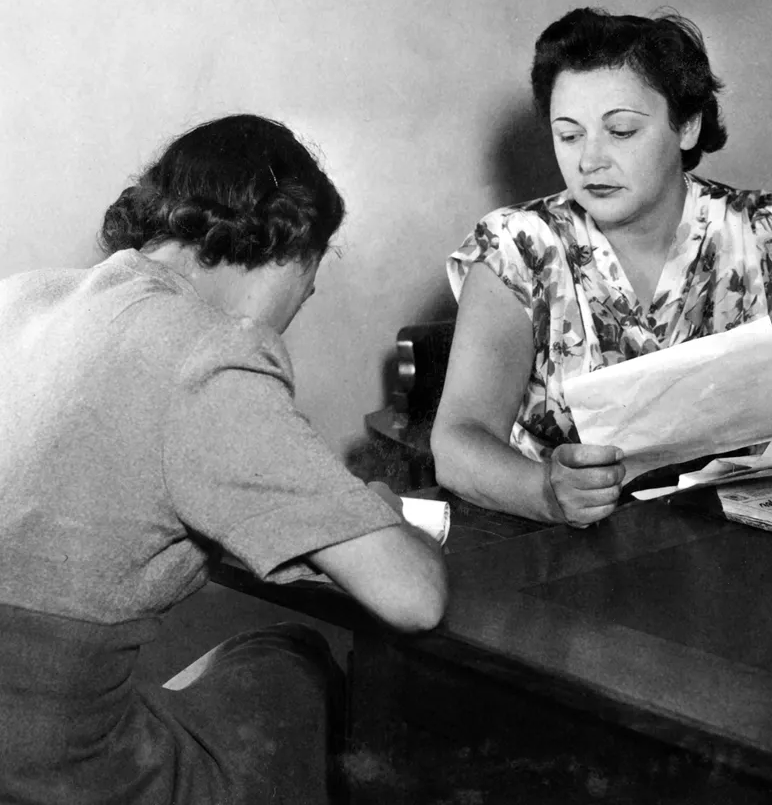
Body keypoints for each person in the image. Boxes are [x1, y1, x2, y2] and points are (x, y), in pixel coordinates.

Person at [0, 114, 448, 805]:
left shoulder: (20, 299)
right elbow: (413, 599)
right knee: (290, 661)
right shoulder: (210, 353)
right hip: (58, 778)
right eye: (308, 286)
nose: (297, 310)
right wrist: (378, 518)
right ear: (289, 251)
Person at [431, 8, 772, 527]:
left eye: (622, 131)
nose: (590, 160)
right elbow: (457, 442)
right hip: (556, 547)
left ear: (688, 126)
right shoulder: (516, 248)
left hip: (733, 535)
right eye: (569, 135)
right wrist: (545, 491)